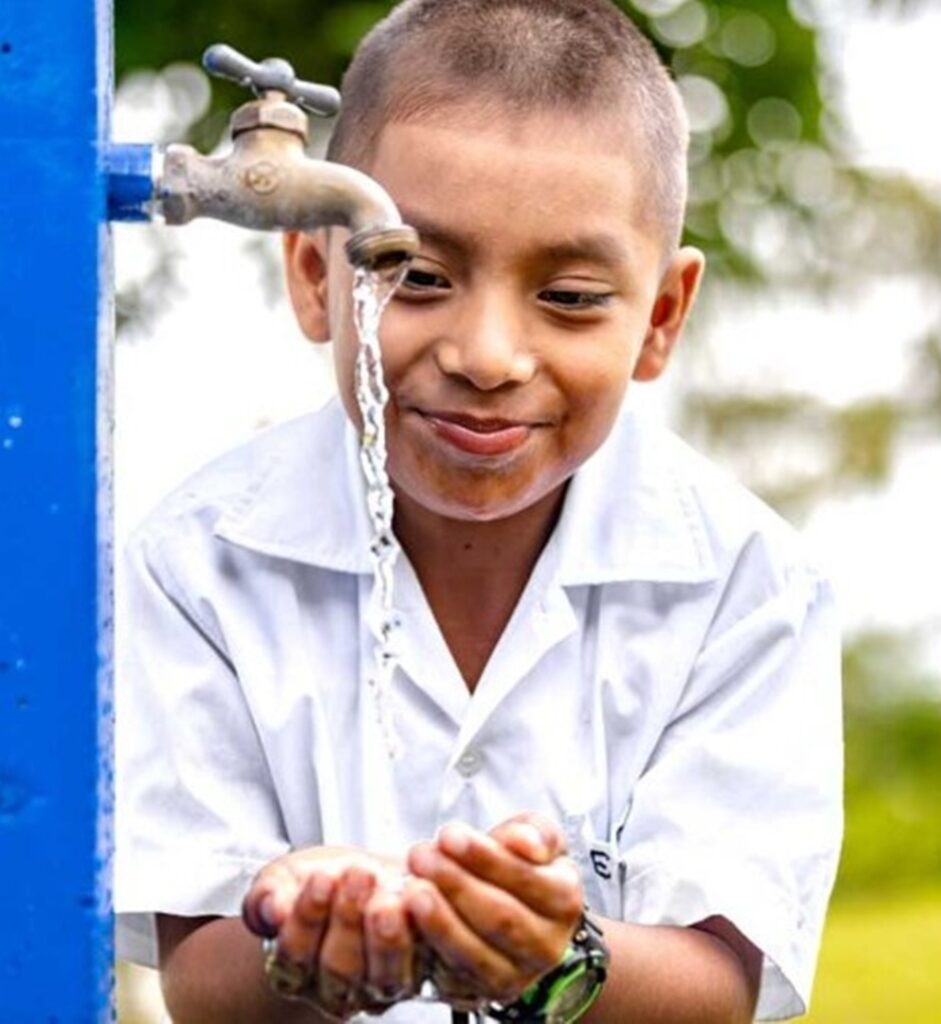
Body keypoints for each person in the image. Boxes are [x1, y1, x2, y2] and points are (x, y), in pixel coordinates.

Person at [115, 1, 843, 1021]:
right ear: (317, 273)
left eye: (573, 297)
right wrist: (311, 935)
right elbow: (201, 978)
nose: (488, 354)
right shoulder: (195, 564)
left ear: (661, 316)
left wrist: (555, 951)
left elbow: (718, 984)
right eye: (414, 273)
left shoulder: (745, 584)